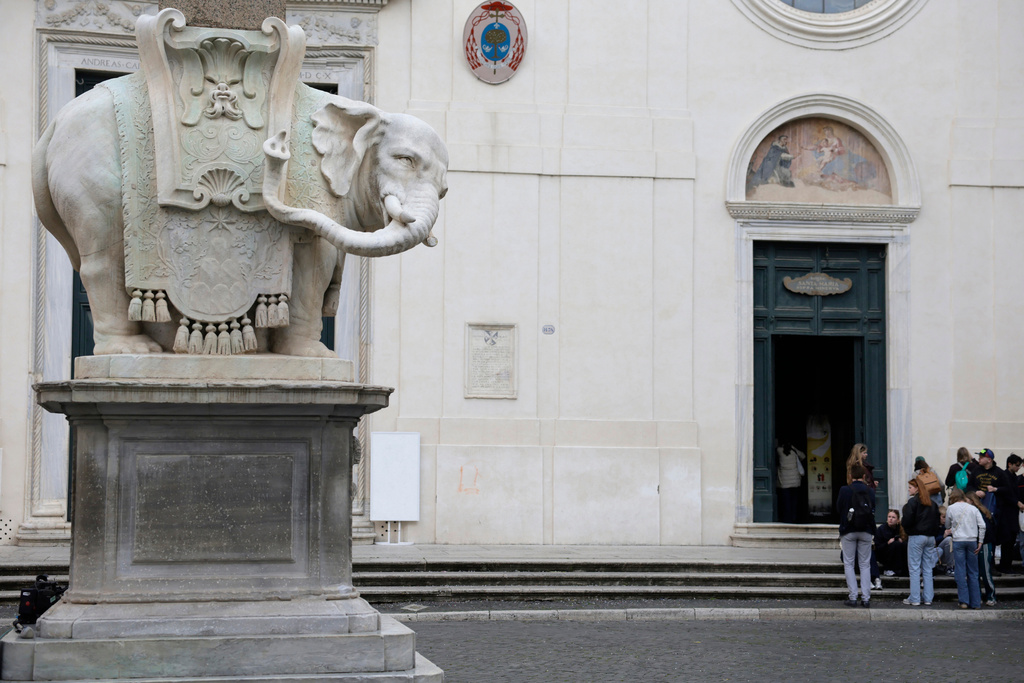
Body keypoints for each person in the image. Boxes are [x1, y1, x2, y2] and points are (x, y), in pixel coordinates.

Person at [836, 463, 875, 607]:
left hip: (848, 530)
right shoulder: (870, 491)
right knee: (865, 564)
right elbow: (873, 508)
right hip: (866, 530)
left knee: (849, 563)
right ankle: (866, 598)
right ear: (864, 476)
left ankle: (853, 597)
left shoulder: (844, 490)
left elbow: (839, 508)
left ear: (851, 476)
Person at [901, 477, 940, 606]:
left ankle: (915, 598)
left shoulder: (913, 502)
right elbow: (937, 521)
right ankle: (928, 598)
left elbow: (906, 520)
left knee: (914, 568)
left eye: (910, 487)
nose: (909, 490)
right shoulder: (932, 503)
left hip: (917, 536)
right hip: (930, 537)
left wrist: (908, 530)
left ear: (917, 488)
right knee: (928, 568)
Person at [946, 488, 985, 609]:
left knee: (960, 571)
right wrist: (980, 541)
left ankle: (963, 601)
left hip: (958, 541)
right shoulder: (973, 508)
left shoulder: (951, 508)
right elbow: (982, 526)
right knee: (973, 572)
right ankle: (976, 602)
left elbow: (947, 525)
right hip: (972, 540)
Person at [967, 491, 997, 606]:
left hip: (984, 544)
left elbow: (986, 529)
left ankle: (991, 596)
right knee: (977, 572)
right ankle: (978, 595)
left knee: (985, 571)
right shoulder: (978, 511)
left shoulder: (979, 512)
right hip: (978, 543)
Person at [998, 453, 1022, 573]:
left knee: (1011, 540)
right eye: (1017, 465)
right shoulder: (1005, 476)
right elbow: (1007, 493)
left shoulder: (1013, 476)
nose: (1018, 468)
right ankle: (1004, 565)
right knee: (1007, 540)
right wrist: (1017, 502)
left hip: (1012, 513)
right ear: (1010, 464)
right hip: (1006, 514)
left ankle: (1007, 565)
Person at [776, 443, 806, 524]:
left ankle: (787, 519)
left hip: (784, 481)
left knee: (786, 502)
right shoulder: (793, 451)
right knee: (794, 501)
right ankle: (794, 518)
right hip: (795, 481)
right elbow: (803, 456)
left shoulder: (778, 450)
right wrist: (794, 448)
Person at [875, 509, 907, 577]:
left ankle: (903, 570)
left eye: (893, 517)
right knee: (895, 544)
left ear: (898, 520)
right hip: (884, 554)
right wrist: (888, 543)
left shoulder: (900, 529)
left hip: (897, 553)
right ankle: (888, 569)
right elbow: (878, 547)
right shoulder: (882, 529)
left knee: (903, 544)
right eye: (889, 517)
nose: (890, 519)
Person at [934, 506, 954, 575]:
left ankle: (950, 567)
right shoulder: (934, 526)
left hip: (946, 553)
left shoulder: (947, 526)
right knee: (948, 540)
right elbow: (932, 542)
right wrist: (943, 536)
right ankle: (949, 567)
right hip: (936, 552)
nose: (945, 520)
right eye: (943, 517)